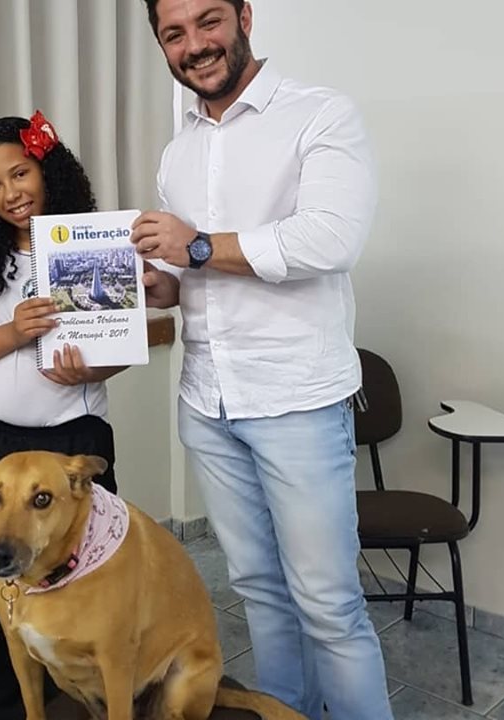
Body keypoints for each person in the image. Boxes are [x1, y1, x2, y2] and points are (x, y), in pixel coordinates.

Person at [131, 2, 394, 719]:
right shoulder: (178, 151)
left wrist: (193, 246)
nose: (194, 45)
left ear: (245, 15)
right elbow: (189, 276)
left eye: (208, 21)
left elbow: (329, 239)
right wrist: (159, 285)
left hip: (297, 401)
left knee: (329, 606)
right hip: (207, 401)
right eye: (174, 34)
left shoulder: (320, 114)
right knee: (257, 588)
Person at [0, 112, 126, 720]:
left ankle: (84, 704)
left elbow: (118, 345)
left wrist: (93, 369)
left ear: (49, 170)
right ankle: (0, 710)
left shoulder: (90, 243)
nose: (10, 192)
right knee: (2, 594)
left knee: (88, 584)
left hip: (75, 444)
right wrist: (14, 333)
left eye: (20, 173)